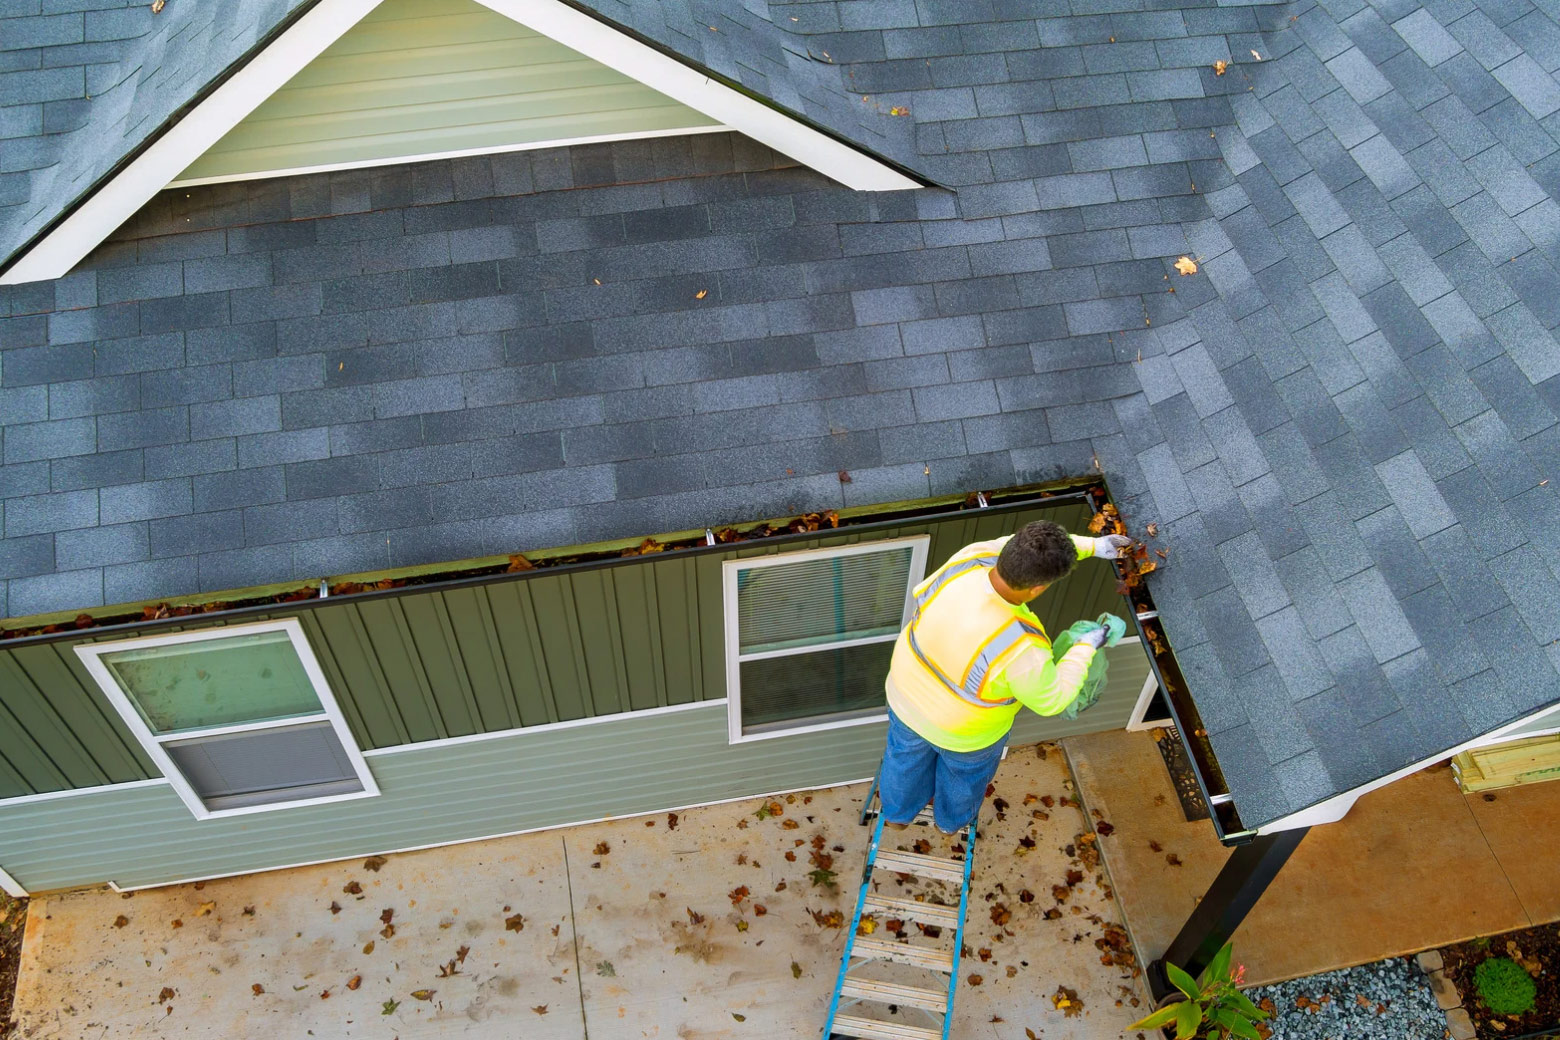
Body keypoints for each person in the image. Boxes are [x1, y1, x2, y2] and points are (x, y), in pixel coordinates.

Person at [877, 519, 1130, 834]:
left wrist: (1094, 546)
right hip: (965, 734)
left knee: (903, 762)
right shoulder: (1021, 647)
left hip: (905, 697)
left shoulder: (971, 558)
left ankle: (897, 817)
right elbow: (1052, 699)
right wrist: (1086, 645)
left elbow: (1025, 546)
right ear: (1037, 588)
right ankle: (948, 824)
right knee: (962, 779)